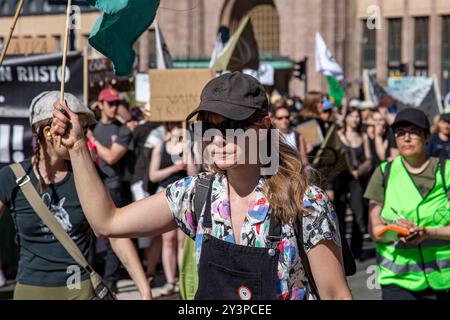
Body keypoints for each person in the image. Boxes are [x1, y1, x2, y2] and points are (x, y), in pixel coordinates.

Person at [52, 72, 352, 300]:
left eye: (231, 126)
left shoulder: (304, 201)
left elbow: (336, 295)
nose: (218, 139)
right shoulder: (196, 195)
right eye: (208, 127)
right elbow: (107, 222)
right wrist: (78, 148)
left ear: (263, 125)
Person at [0, 91, 150, 300]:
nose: (81, 133)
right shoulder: (11, 177)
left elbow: (114, 233)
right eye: (75, 126)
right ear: (48, 132)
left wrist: (144, 290)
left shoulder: (88, 176)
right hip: (30, 291)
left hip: (79, 291)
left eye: (84, 128)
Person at [364, 108, 450, 300]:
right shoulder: (384, 172)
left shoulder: (447, 171)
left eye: (413, 132)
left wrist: (427, 232)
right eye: (400, 133)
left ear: (427, 137)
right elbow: (374, 229)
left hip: (444, 279)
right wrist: (395, 230)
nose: (406, 138)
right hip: (398, 281)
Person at [86, 88, 134, 293]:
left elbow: (112, 158)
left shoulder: (123, 130)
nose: (114, 107)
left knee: (114, 236)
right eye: (110, 103)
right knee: (89, 235)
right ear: (101, 104)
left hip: (112, 188)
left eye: (117, 103)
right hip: (90, 186)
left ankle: (111, 281)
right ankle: (89, 279)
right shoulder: (92, 126)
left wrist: (93, 141)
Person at [149, 121, 199, 295]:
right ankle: (170, 280)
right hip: (165, 196)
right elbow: (153, 175)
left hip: (185, 197)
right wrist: (173, 168)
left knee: (182, 240)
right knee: (168, 240)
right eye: (173, 124)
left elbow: (194, 174)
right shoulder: (160, 147)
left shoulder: (190, 146)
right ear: (168, 126)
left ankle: (182, 276)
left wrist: (188, 152)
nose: (177, 127)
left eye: (180, 124)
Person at [129, 105, 161, 286]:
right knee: (147, 231)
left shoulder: (145, 129)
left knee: (154, 233)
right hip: (143, 183)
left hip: (149, 183)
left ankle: (150, 269)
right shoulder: (149, 130)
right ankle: (148, 270)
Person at [334, 107, 372, 260]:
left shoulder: (363, 136)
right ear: (346, 118)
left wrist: (360, 170)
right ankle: (342, 251)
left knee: (359, 212)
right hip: (341, 179)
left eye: (358, 116)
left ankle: (357, 248)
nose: (355, 119)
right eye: (352, 116)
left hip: (357, 179)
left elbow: (369, 159)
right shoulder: (339, 135)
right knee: (340, 215)